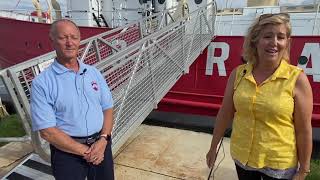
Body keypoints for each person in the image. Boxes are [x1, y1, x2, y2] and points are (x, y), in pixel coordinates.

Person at [206, 13, 313, 180]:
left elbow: (304, 129)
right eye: (267, 36)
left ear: (287, 42)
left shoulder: (297, 79)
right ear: (255, 40)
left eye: (281, 37)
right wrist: (213, 148)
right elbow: (225, 113)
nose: (274, 42)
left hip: (279, 167)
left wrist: (303, 170)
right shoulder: (238, 74)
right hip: (243, 159)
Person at [30, 19, 114, 180]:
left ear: (79, 40)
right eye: (63, 37)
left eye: (74, 37)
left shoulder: (93, 73)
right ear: (52, 41)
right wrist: (87, 152)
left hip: (101, 144)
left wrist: (104, 139)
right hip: (67, 154)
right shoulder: (42, 83)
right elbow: (48, 132)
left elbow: (107, 108)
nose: (69, 43)